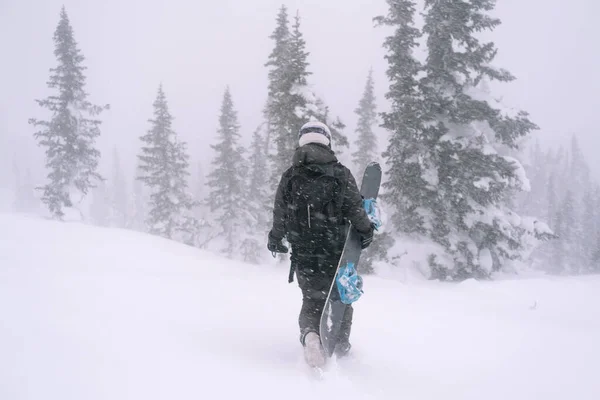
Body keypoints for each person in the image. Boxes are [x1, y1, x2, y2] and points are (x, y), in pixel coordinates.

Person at [267, 120, 375, 365]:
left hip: (304, 252)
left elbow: (280, 213)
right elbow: (355, 209)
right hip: (335, 251)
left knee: (312, 299)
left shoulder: (291, 176)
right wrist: (366, 230)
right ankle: (340, 345)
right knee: (339, 299)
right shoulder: (340, 173)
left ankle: (311, 335)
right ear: (327, 140)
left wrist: (275, 239)